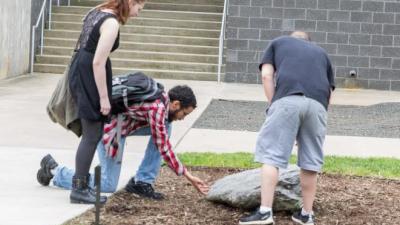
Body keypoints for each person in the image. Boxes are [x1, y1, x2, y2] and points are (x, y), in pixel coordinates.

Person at [37, 85, 209, 200]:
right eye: (184, 114)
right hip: (109, 129)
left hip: (122, 124)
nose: (182, 118)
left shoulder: (160, 96)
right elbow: (163, 146)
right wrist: (188, 176)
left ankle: (142, 182)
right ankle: (54, 170)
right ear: (176, 104)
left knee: (166, 125)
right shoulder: (158, 108)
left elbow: (160, 135)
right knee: (107, 184)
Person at [53, 0, 146, 204]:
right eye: (140, 7)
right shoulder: (111, 23)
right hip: (90, 75)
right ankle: (78, 190)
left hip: (82, 70)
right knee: (92, 135)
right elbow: (98, 62)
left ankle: (81, 187)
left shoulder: (96, 12)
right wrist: (104, 98)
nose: (138, 13)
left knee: (91, 135)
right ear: (130, 2)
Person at [239, 31, 335, 225]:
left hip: (288, 98)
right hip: (318, 106)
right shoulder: (322, 54)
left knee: (271, 154)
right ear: (309, 42)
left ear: (292, 38)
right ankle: (307, 214)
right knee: (311, 161)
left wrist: (274, 104)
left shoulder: (279, 42)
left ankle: (265, 212)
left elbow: (267, 76)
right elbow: (329, 92)